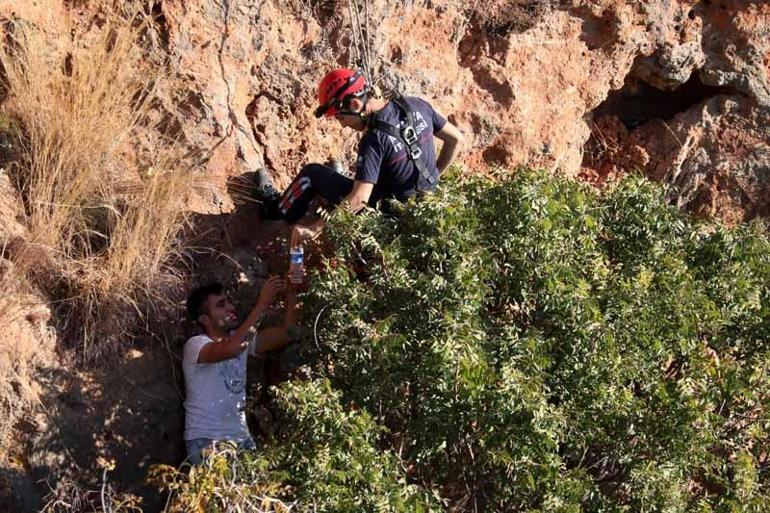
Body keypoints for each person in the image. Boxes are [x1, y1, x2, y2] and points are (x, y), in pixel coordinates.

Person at [256, 68, 464, 245]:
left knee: (312, 173)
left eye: (340, 116)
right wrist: (434, 177)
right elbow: (456, 139)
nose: (342, 123)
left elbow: (358, 200)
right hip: (424, 206)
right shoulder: (416, 105)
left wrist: (314, 229)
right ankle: (338, 176)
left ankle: (276, 209)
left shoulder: (374, 140)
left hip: (387, 220)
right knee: (349, 174)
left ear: (355, 105)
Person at [182, 276, 297, 465]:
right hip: (207, 441)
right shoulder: (196, 346)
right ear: (205, 319)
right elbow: (232, 349)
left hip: (241, 439)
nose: (230, 307)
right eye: (221, 305)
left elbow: (288, 332)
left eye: (228, 301)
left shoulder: (241, 340)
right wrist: (263, 303)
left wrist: (292, 293)